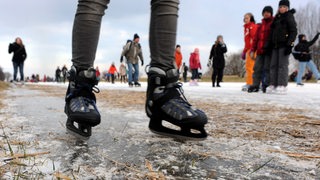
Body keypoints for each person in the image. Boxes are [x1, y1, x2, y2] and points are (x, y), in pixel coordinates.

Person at [64, 0, 207, 139]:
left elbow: (139, 52)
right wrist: (122, 58)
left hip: (135, 60)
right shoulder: (131, 44)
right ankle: (78, 87)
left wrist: (143, 58)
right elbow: (125, 50)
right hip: (129, 60)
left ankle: (162, 93)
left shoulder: (138, 46)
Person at [266, 0, 297, 94]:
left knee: (282, 66)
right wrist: (269, 44)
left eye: (284, 7)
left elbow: (293, 31)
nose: (282, 8)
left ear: (287, 8)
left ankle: (282, 85)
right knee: (273, 65)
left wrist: (290, 45)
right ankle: (273, 84)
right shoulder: (276, 18)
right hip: (275, 46)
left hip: (284, 45)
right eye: (280, 7)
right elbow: (272, 32)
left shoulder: (289, 16)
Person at [248, 6, 274, 93]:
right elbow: (255, 39)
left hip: (268, 51)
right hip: (259, 51)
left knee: (267, 68)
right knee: (257, 68)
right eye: (264, 12)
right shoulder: (260, 25)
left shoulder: (273, 23)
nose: (266, 13)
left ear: (271, 14)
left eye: (268, 12)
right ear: (262, 13)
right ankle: (255, 85)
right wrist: (252, 50)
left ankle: (266, 85)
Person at [241, 13, 257, 91]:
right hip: (248, 50)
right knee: (248, 67)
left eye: (247, 18)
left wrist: (252, 49)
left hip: (252, 50)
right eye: (244, 18)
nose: (245, 19)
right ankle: (249, 82)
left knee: (251, 67)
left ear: (251, 18)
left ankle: (251, 83)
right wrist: (244, 51)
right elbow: (247, 41)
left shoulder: (252, 26)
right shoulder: (246, 28)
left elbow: (254, 39)